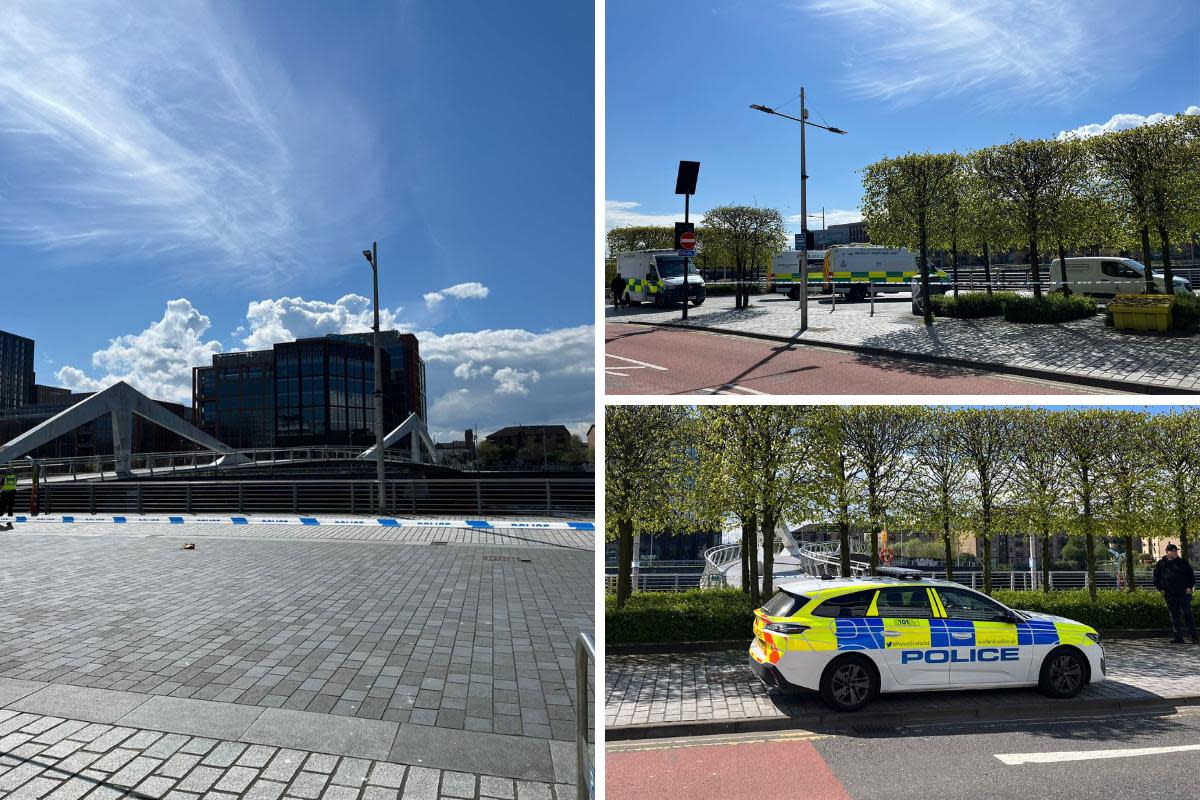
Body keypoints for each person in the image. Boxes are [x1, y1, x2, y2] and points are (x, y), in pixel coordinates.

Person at [1153, 543, 1198, 644]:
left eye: (1175, 551)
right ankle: (1178, 638)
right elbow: (1156, 578)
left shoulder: (1183, 562)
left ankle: (1194, 637)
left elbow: (1191, 575)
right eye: (1172, 551)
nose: (1174, 552)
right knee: (1174, 616)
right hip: (1170, 594)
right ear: (1167, 552)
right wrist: (1161, 589)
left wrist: (1190, 587)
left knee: (1187, 614)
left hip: (1184, 593)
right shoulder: (1161, 564)